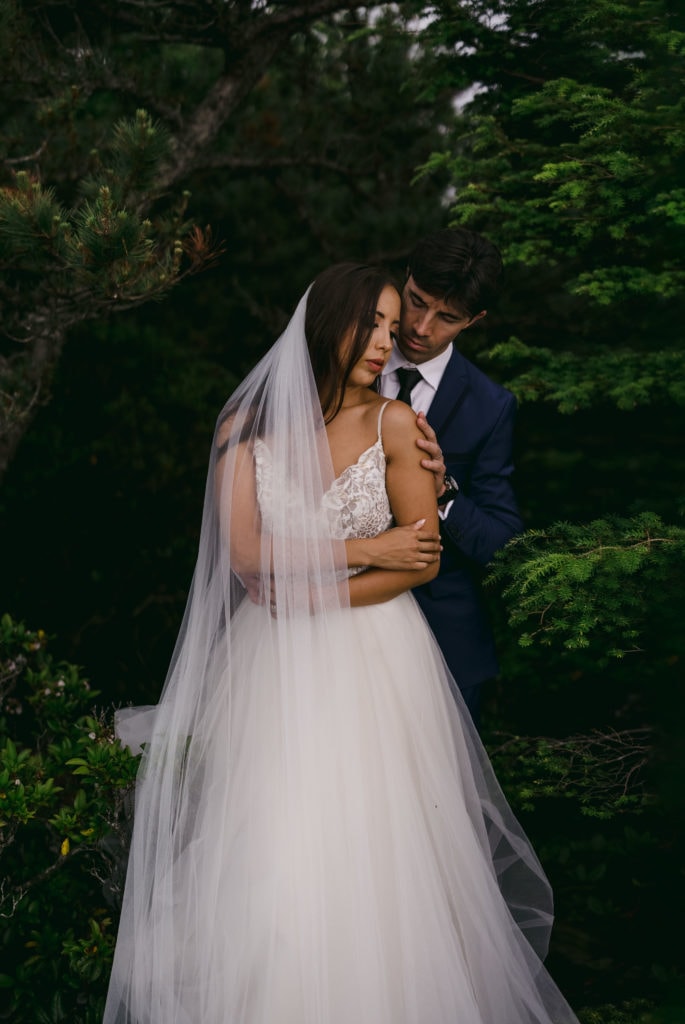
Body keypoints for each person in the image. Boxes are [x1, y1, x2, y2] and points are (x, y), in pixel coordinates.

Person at [104, 264, 578, 1023]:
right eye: (377, 324)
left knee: (376, 839)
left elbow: (418, 558)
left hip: (376, 657)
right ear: (327, 323)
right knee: (270, 833)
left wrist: (319, 590)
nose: (388, 341)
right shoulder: (244, 428)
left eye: (395, 328)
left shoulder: (398, 426)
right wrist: (368, 548)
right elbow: (250, 558)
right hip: (268, 662)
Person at [380, 228, 523, 724]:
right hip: (328, 621)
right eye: (416, 301)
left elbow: (504, 544)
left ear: (474, 321)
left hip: (441, 643)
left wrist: (443, 494)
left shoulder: (491, 407)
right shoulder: (341, 362)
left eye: (447, 317)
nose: (420, 326)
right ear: (406, 278)